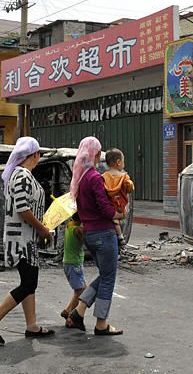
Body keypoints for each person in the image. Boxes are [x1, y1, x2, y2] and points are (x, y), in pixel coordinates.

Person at [0, 137, 55, 344]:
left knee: (28, 283)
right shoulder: (22, 175)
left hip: (25, 237)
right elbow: (23, 208)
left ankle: (31, 325)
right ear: (35, 155)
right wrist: (43, 230)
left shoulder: (19, 174)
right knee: (29, 283)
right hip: (22, 239)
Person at [66, 136, 125, 336]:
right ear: (95, 154)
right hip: (104, 233)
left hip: (89, 234)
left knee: (105, 274)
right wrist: (117, 214)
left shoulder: (80, 179)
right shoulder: (95, 177)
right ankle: (101, 323)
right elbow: (104, 206)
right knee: (108, 278)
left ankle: (78, 312)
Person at [102, 148, 135, 248]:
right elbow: (130, 188)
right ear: (118, 162)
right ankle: (120, 237)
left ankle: (119, 236)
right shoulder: (124, 177)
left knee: (114, 221)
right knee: (118, 219)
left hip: (110, 205)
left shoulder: (103, 176)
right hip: (120, 205)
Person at [60, 213, 86, 324]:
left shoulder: (69, 226)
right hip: (74, 263)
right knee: (80, 290)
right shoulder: (77, 230)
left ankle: (67, 310)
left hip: (70, 262)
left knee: (81, 289)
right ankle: (70, 315)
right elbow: (86, 241)